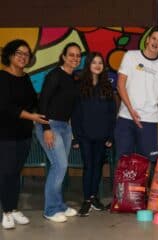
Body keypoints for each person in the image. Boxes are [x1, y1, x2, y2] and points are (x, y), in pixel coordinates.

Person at [114, 26, 158, 177]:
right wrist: (131, 110)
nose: (156, 42)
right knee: (122, 162)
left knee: (147, 165)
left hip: (149, 121)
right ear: (147, 40)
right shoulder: (130, 56)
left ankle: (143, 199)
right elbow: (120, 85)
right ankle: (119, 200)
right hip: (126, 118)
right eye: (154, 38)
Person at [0, 39, 49, 229]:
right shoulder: (2, 77)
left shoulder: (25, 77)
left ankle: (13, 208)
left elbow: (32, 102)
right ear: (10, 55)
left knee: (15, 173)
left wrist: (46, 113)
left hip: (24, 134)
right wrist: (32, 117)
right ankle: (6, 212)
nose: (23, 57)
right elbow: (5, 106)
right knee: (6, 173)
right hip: (5, 134)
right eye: (19, 53)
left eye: (26, 54)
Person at [36, 42, 82, 223]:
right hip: (50, 125)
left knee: (60, 167)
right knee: (59, 166)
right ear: (63, 56)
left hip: (64, 126)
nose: (75, 58)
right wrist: (46, 128)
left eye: (78, 56)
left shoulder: (74, 78)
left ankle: (60, 205)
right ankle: (50, 209)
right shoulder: (54, 75)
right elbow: (43, 102)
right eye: (71, 55)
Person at [71, 52, 115, 216]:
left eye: (100, 63)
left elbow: (112, 113)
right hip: (85, 135)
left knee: (97, 167)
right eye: (94, 62)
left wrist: (110, 136)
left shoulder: (107, 87)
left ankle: (94, 197)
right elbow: (75, 114)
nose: (97, 65)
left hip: (102, 135)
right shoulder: (80, 86)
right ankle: (86, 200)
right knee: (88, 166)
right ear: (88, 65)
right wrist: (76, 136)